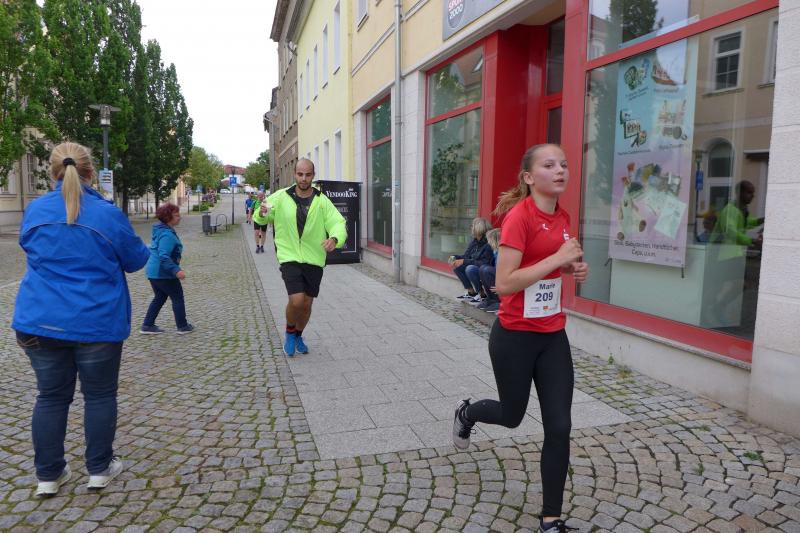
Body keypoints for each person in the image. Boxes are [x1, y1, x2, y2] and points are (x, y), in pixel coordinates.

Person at [451, 144, 588, 533]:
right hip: (514, 336)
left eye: (563, 164)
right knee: (512, 416)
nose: (560, 170)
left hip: (552, 336)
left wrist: (572, 269)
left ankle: (550, 520)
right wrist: (557, 259)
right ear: (529, 177)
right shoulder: (519, 218)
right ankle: (467, 413)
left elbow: (551, 267)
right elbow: (506, 282)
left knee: (559, 427)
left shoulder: (563, 217)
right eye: (549, 165)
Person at [12, 142, 150, 497]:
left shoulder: (35, 209)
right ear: (90, 173)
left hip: (39, 320)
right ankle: (99, 469)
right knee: (99, 396)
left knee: (50, 397)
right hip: (95, 320)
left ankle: (48, 476)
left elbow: (28, 247)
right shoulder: (106, 214)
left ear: (53, 172)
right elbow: (136, 260)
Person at [261, 158, 347, 356]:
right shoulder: (281, 196)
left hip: (314, 258)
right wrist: (262, 213)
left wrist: (335, 238)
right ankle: (290, 333)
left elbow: (337, 222)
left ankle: (299, 335)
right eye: (300, 174)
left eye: (308, 175)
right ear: (295, 174)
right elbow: (263, 215)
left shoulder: (322, 200)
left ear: (313, 176)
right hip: (289, 255)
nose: (304, 179)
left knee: (307, 304)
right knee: (297, 300)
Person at [140, 203, 194, 335]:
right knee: (177, 297)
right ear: (168, 217)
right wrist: (176, 270)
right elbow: (163, 255)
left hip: (154, 272)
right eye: (176, 215)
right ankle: (183, 326)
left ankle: (147, 325)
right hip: (163, 273)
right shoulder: (167, 235)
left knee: (159, 297)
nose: (179, 217)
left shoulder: (161, 230)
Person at [710, 180, 764, 256]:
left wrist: (762, 220)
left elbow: (748, 222)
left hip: (732, 251)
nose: (752, 196)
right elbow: (731, 232)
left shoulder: (741, 209)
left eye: (753, 193)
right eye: (749, 192)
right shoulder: (730, 210)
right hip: (721, 253)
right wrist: (753, 241)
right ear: (739, 193)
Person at [449, 217, 494, 303]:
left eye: (472, 226)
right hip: (476, 267)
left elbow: (485, 263)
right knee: (457, 267)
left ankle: (482, 294)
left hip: (485, 270)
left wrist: (464, 261)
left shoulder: (488, 244)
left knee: (470, 268)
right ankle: (471, 292)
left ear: (479, 228)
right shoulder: (474, 242)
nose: (471, 228)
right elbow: (466, 256)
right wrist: (454, 257)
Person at [476, 228, 501, 313]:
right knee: (482, 268)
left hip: (504, 276)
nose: (488, 242)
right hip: (499, 273)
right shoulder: (495, 250)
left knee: (486, 270)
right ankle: (491, 298)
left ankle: (498, 301)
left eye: (489, 240)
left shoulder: (503, 251)